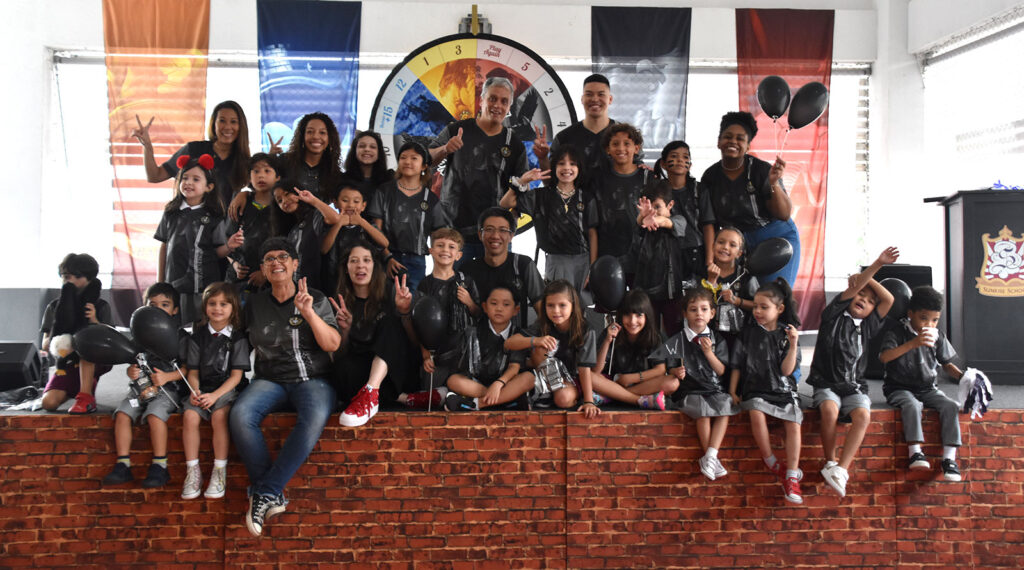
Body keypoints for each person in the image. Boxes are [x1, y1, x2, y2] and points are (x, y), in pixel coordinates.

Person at [229, 237, 341, 537]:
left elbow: (332, 343)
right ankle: (270, 493)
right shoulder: (253, 304)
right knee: (240, 415)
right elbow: (238, 343)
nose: (276, 262)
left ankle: (264, 491)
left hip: (313, 379)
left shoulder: (315, 297)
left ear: (294, 264)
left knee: (313, 418)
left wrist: (309, 313)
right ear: (263, 268)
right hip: (270, 380)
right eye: (269, 259)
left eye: (282, 257)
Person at [810, 247, 899, 498]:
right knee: (830, 410)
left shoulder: (868, 326)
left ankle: (841, 469)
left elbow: (888, 300)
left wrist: (866, 279)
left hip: (854, 385)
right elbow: (854, 292)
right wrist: (876, 264)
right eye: (860, 294)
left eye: (870, 301)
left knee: (862, 416)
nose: (864, 300)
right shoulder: (833, 315)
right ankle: (830, 462)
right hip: (826, 382)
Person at [430, 76, 547, 262]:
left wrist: (510, 229)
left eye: (504, 101)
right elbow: (427, 160)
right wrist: (445, 149)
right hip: (455, 235)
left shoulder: (514, 143)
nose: (497, 105)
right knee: (455, 282)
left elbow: (520, 191)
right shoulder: (456, 130)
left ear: (509, 107)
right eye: (492, 98)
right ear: (481, 100)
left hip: (494, 237)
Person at [101, 283, 189, 488]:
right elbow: (133, 361)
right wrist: (130, 372)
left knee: (154, 415)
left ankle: (160, 466)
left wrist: (167, 377)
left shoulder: (181, 337)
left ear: (175, 310)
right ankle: (123, 464)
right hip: (140, 389)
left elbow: (188, 369)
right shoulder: (139, 336)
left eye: (165, 305)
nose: (158, 309)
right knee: (123, 413)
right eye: (152, 305)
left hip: (168, 390)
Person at [700, 111, 799, 285]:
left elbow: (783, 214)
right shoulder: (710, 177)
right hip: (735, 244)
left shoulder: (761, 170)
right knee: (738, 295)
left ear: (747, 147)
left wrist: (773, 183)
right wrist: (710, 260)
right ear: (719, 142)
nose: (733, 141)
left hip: (775, 237)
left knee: (772, 295)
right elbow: (709, 222)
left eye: (740, 139)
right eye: (727, 137)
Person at [879, 286, 965, 482]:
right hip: (898, 387)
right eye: (924, 318)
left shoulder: (938, 335)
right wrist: (913, 343)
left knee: (951, 405)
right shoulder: (897, 332)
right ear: (911, 314)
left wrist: (964, 377)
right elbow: (884, 357)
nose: (929, 324)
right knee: (912, 405)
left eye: (935, 320)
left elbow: (946, 364)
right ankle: (915, 452)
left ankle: (949, 459)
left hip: (928, 388)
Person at [728, 279, 803, 503]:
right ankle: (771, 460)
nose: (758, 311)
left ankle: (792, 475)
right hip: (756, 389)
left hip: (783, 390)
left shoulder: (787, 334)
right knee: (755, 410)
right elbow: (737, 365)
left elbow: (786, 371)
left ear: (779, 309)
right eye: (756, 306)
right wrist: (733, 391)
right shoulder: (748, 333)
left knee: (793, 422)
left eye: (764, 307)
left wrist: (793, 345)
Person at [652, 288, 737, 481]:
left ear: (712, 313)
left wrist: (709, 353)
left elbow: (721, 370)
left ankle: (711, 455)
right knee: (703, 411)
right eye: (693, 309)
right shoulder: (677, 340)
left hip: (714, 389)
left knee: (725, 406)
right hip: (689, 391)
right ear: (685, 313)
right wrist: (675, 372)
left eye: (704, 309)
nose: (699, 313)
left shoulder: (718, 340)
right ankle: (711, 459)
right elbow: (669, 368)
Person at [334, 243, 419, 428]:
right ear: (346, 268)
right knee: (344, 367)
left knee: (390, 323)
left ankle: (371, 393)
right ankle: (402, 398)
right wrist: (345, 330)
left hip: (393, 370)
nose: (360, 266)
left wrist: (404, 312)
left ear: (374, 266)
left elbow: (413, 343)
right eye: (354, 261)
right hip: (361, 374)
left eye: (366, 260)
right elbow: (339, 353)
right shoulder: (339, 300)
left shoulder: (391, 292)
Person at [155, 154, 244, 325]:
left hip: (204, 287)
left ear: (209, 187)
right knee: (175, 326)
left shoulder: (214, 216)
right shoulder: (171, 213)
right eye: (185, 178)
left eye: (196, 179)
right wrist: (161, 282)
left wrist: (229, 246)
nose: (188, 182)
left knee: (200, 326)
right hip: (174, 285)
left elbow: (217, 252)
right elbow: (164, 246)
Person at [181, 282, 250, 500]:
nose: (217, 308)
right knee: (190, 416)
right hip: (203, 388)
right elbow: (192, 372)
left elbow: (236, 376)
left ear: (233, 308)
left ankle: (219, 470)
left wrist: (215, 396)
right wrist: (195, 390)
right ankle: (192, 471)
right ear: (205, 306)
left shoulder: (238, 338)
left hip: (227, 389)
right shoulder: (196, 337)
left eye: (223, 304)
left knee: (219, 417)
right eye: (212, 303)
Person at [500, 144, 598, 296]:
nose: (567, 168)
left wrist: (593, 267)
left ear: (579, 168)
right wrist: (522, 182)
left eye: (572, 164)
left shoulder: (586, 197)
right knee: (559, 303)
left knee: (582, 306)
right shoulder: (540, 196)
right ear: (554, 167)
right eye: (561, 163)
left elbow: (592, 234)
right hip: (556, 260)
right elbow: (505, 203)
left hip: (583, 260)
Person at [404, 228, 480, 409]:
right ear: (431, 250)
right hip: (436, 354)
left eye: (451, 247)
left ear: (458, 255)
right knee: (432, 400)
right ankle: (441, 396)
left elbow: (479, 315)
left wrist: (469, 302)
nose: (445, 250)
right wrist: (425, 354)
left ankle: (455, 397)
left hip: (462, 353)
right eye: (440, 245)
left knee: (462, 390)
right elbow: (420, 322)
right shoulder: (425, 284)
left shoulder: (466, 281)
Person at [506, 280, 600, 419]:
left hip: (573, 379)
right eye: (550, 305)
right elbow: (509, 343)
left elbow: (584, 369)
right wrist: (536, 340)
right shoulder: (543, 325)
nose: (556, 311)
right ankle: (545, 392)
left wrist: (588, 401)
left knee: (563, 399)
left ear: (573, 305)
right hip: (550, 377)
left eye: (562, 305)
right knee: (540, 347)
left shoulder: (585, 330)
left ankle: (547, 394)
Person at [133, 101, 252, 209]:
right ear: (214, 124)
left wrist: (245, 194)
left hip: (224, 225)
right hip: (188, 222)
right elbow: (155, 176)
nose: (227, 127)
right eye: (222, 120)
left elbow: (260, 191)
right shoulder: (193, 149)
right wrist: (147, 146)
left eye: (233, 122)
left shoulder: (244, 161)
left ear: (241, 126)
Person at [369, 141, 447, 292]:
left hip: (416, 262)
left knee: (413, 302)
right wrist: (387, 257)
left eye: (414, 158)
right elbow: (375, 229)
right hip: (385, 258)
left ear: (424, 166)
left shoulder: (430, 199)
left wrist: (440, 266)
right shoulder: (384, 191)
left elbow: (438, 235)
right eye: (403, 157)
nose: (407, 162)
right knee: (383, 300)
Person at [40, 253, 113, 414]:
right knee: (49, 403)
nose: (69, 281)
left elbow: (110, 341)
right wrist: (59, 341)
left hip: (94, 356)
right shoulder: (54, 306)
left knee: (85, 343)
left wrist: (94, 320)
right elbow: (45, 344)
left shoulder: (101, 306)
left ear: (88, 278)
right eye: (65, 277)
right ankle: (76, 387)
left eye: (74, 277)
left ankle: (85, 395)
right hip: (66, 360)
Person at [443, 286, 535, 412]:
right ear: (485, 307)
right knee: (453, 381)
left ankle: (476, 404)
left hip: (505, 382)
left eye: (506, 304)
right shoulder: (474, 331)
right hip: (479, 385)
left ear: (516, 310)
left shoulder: (518, 335)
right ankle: (506, 401)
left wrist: (499, 383)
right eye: (494, 303)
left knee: (529, 378)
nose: (499, 308)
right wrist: (494, 390)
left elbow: (514, 367)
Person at [460, 207, 544, 330]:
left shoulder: (523, 265)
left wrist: (530, 337)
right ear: (480, 235)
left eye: (503, 230)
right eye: (489, 229)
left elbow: (543, 312)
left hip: (518, 339)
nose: (495, 236)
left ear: (511, 236)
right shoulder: (467, 270)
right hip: (477, 339)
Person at [590, 289, 673, 409]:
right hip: (615, 383)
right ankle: (639, 400)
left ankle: (612, 396)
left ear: (647, 316)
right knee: (589, 376)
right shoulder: (611, 332)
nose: (632, 321)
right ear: (621, 315)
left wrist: (631, 378)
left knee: (672, 383)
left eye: (638, 315)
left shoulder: (655, 336)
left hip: (644, 385)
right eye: (627, 315)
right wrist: (607, 340)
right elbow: (596, 370)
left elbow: (660, 369)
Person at [592, 123, 648, 281]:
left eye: (627, 143)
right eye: (615, 144)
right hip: (607, 258)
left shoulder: (648, 178)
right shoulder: (597, 179)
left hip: (642, 258)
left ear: (636, 148)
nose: (621, 148)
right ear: (607, 149)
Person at [653, 140, 716, 278]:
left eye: (685, 157)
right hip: (665, 251)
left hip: (695, 251)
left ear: (690, 165)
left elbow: (708, 226)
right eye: (674, 156)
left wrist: (709, 260)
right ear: (663, 164)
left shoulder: (699, 190)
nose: (680, 160)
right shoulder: (656, 190)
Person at [533, 73, 616, 177]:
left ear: (610, 99)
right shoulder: (564, 138)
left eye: (601, 94)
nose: (595, 99)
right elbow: (551, 182)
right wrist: (543, 158)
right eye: (589, 94)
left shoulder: (624, 136)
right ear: (582, 99)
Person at [633, 181, 687, 335]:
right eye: (650, 208)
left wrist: (653, 220)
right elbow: (639, 224)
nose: (654, 212)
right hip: (647, 292)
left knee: (674, 332)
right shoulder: (644, 224)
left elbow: (665, 222)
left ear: (670, 205)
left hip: (672, 291)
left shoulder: (679, 220)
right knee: (650, 333)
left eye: (657, 207)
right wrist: (642, 217)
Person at [226, 153, 282, 295]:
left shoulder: (282, 207)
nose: (261, 175)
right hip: (238, 279)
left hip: (273, 278)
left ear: (278, 177)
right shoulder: (239, 204)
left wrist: (265, 272)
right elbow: (227, 241)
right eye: (256, 171)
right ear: (249, 177)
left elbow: (287, 245)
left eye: (267, 171)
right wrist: (234, 264)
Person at [273, 179, 342, 293]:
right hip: (298, 291)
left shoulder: (315, 215)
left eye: (287, 194)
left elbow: (334, 218)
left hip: (320, 289)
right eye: (279, 201)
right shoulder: (292, 230)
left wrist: (312, 200)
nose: (284, 201)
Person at [322, 184, 389, 296]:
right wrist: (339, 223)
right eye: (345, 200)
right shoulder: (329, 224)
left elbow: (384, 243)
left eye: (356, 201)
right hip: (334, 280)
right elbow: (324, 249)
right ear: (335, 203)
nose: (351, 205)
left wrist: (361, 222)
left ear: (363, 206)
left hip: (362, 281)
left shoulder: (367, 225)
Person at [703, 227, 758, 351]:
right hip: (708, 337)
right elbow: (693, 304)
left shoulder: (746, 276)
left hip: (739, 339)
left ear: (739, 253)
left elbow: (758, 305)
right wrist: (710, 281)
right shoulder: (701, 272)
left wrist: (737, 301)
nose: (725, 247)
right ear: (713, 246)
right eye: (721, 242)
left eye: (732, 245)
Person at [343, 130, 393, 202]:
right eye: (362, 146)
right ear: (354, 151)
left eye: (372, 147)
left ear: (379, 152)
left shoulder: (390, 178)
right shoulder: (343, 179)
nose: (367, 149)